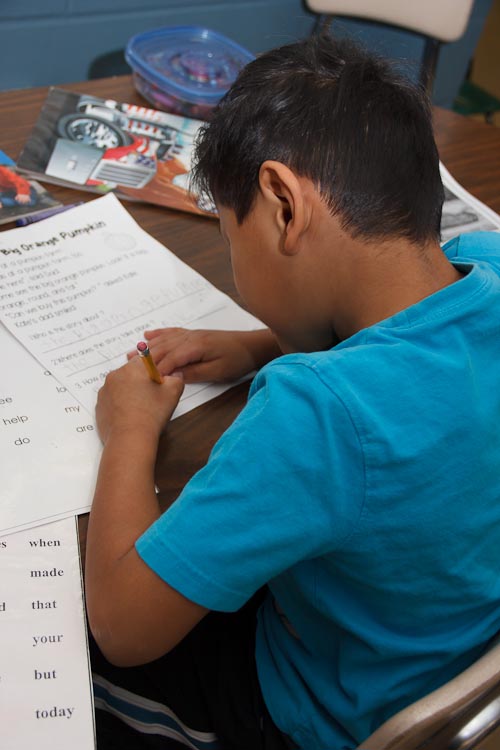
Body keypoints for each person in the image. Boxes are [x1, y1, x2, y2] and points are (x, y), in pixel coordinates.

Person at [85, 33, 500, 750]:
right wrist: (255, 343)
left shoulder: (317, 415)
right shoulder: (487, 263)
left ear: (282, 205)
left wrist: (129, 429)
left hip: (313, 713)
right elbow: (407, 335)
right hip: (439, 647)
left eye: (229, 235)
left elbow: (123, 628)